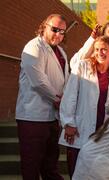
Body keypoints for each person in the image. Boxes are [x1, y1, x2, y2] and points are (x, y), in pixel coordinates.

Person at [15, 14, 68, 180]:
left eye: (62, 32)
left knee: (50, 165)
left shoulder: (60, 51)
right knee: (31, 165)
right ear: (44, 26)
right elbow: (38, 82)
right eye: (55, 29)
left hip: (52, 118)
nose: (58, 34)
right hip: (33, 117)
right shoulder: (34, 47)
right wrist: (58, 100)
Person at [59, 36, 109, 177]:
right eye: (97, 49)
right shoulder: (82, 66)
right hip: (79, 129)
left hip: (101, 132)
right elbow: (69, 95)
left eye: (104, 49)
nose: (100, 53)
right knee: (76, 172)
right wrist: (68, 123)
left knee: (94, 174)